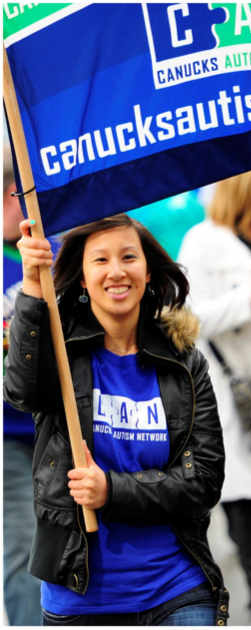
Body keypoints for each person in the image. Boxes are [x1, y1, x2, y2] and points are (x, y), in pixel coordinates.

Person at [4, 214, 228, 625]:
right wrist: (34, 290)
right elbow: (20, 391)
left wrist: (112, 490)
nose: (117, 271)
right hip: (81, 597)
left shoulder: (184, 363)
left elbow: (205, 480)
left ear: (147, 270)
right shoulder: (62, 353)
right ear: (84, 279)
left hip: (177, 588)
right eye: (101, 261)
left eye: (128, 256)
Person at [177, 159, 251, 626]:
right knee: (246, 496)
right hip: (237, 389)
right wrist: (250, 296)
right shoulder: (201, 242)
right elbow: (188, 322)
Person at [1, 166, 42, 626]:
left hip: (62, 425)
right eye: (12, 198)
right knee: (23, 547)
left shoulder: (56, 250)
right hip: (10, 432)